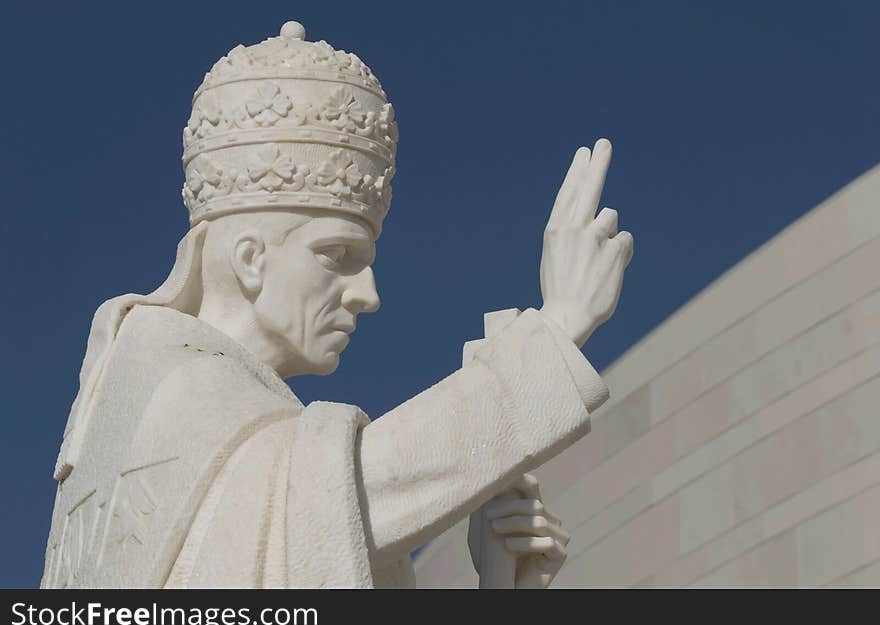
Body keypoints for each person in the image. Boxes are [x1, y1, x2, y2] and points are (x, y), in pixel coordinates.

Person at [41, 22, 633, 588]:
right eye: (337, 254)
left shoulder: (246, 432)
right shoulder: (177, 383)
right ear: (250, 259)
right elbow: (348, 488)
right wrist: (559, 327)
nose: (367, 294)